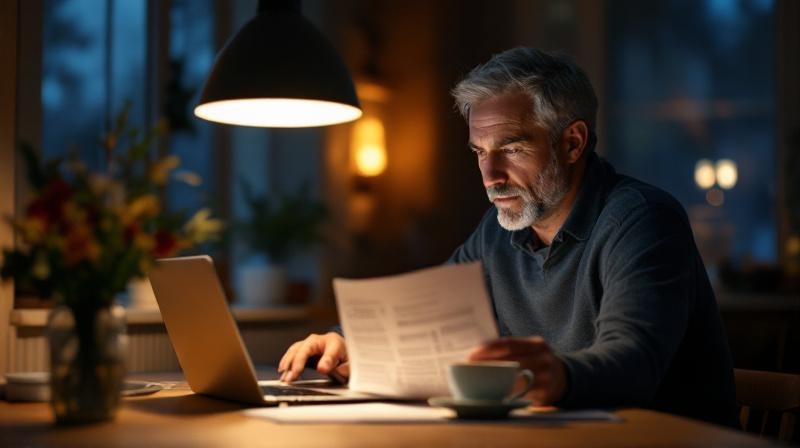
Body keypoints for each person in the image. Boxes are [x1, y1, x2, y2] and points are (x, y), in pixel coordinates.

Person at [277, 47, 738, 427]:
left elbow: (635, 362)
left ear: (573, 143)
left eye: (512, 148)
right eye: (480, 152)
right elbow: (423, 314)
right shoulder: (500, 230)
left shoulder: (643, 220)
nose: (490, 176)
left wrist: (557, 375)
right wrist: (345, 342)